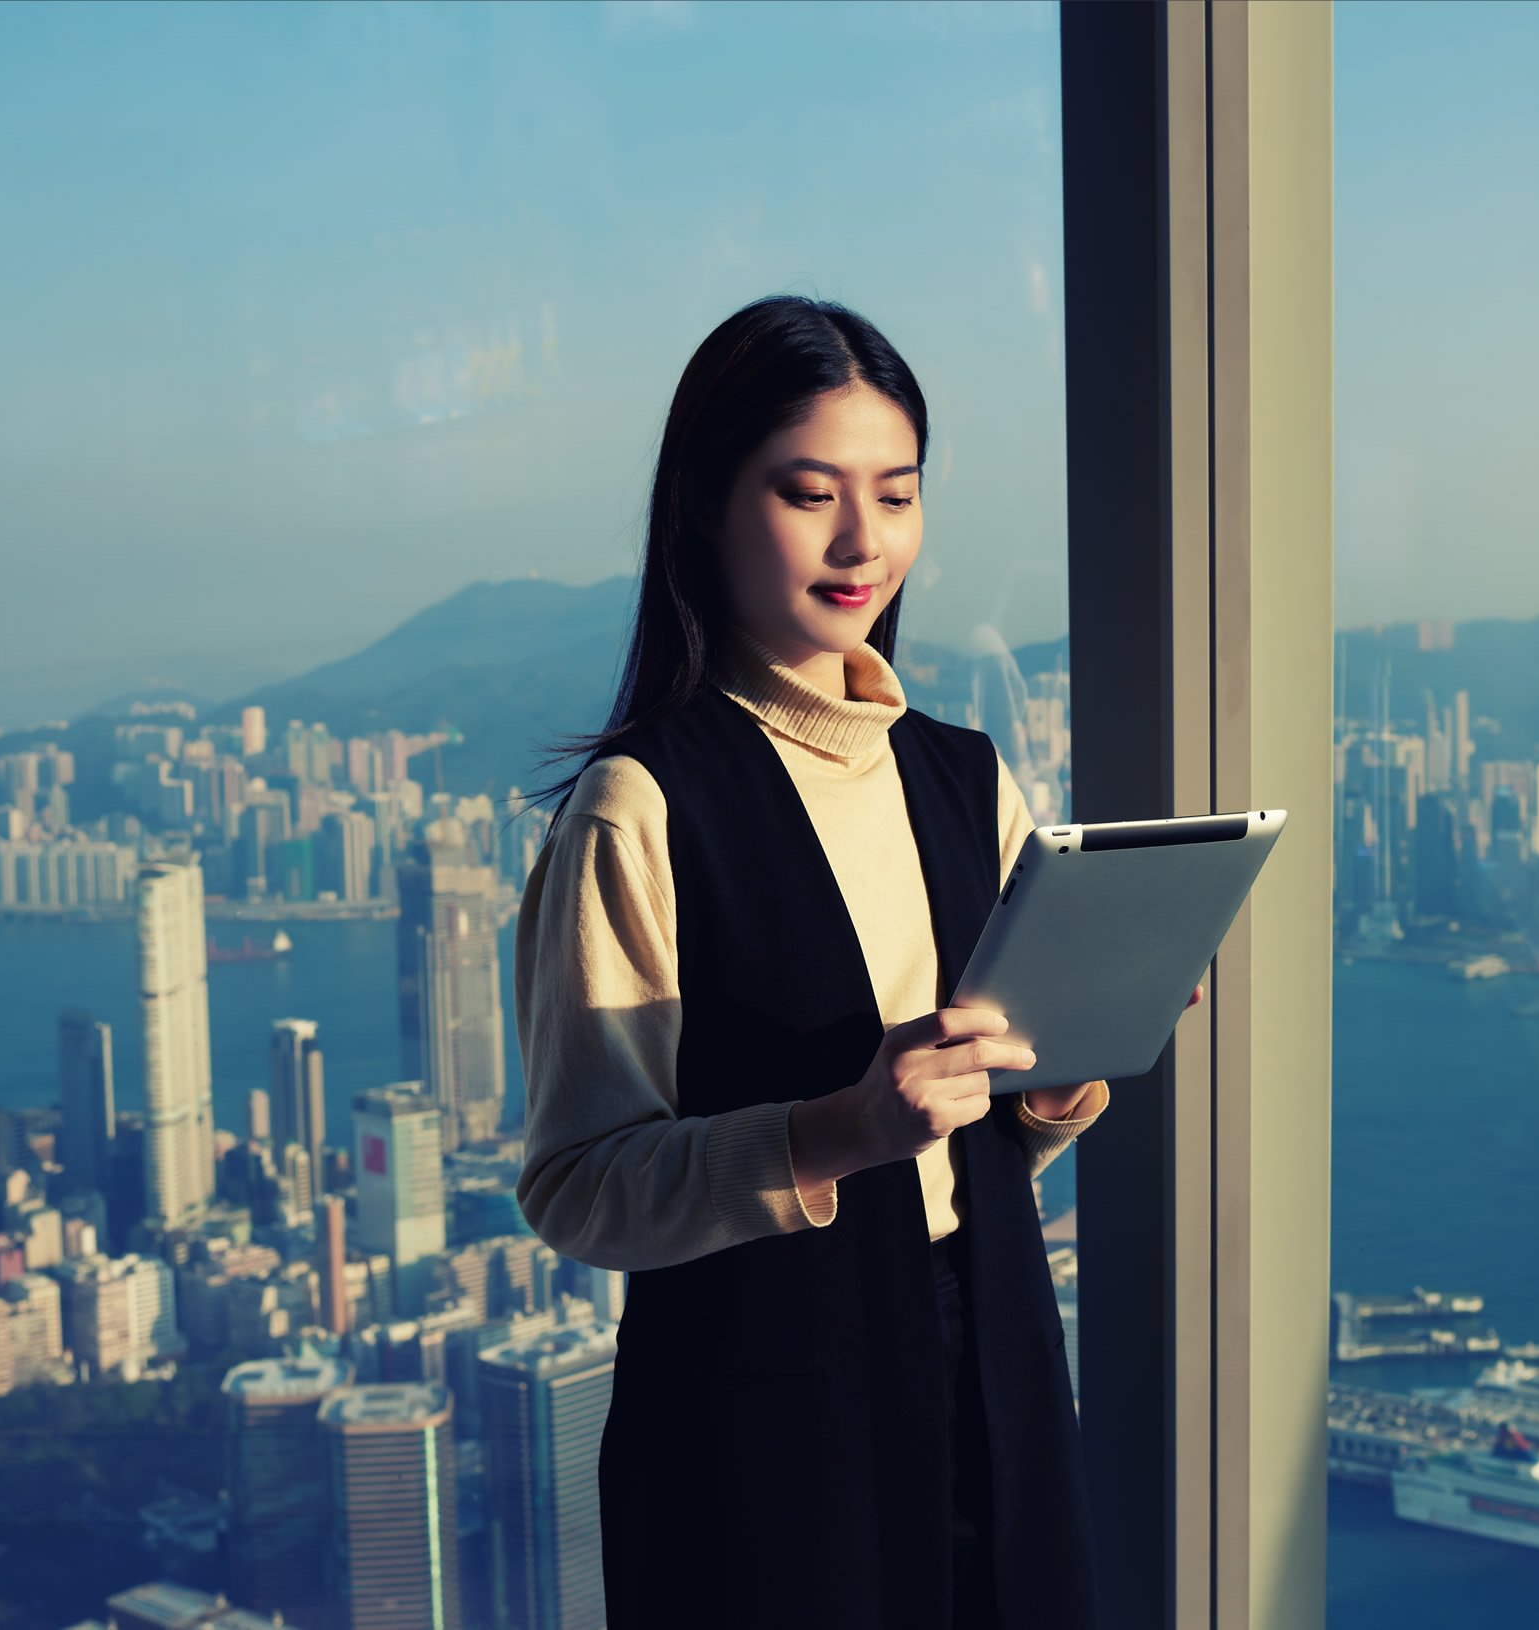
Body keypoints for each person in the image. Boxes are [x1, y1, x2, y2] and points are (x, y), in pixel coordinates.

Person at [513, 293, 1201, 1630]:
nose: (859, 540)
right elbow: (576, 1187)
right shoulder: (642, 806)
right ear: (707, 505)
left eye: (896, 494)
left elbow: (976, 1129)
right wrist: (833, 1131)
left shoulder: (963, 774)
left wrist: (1069, 1059)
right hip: (766, 1399)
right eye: (808, 491)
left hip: (991, 1338)